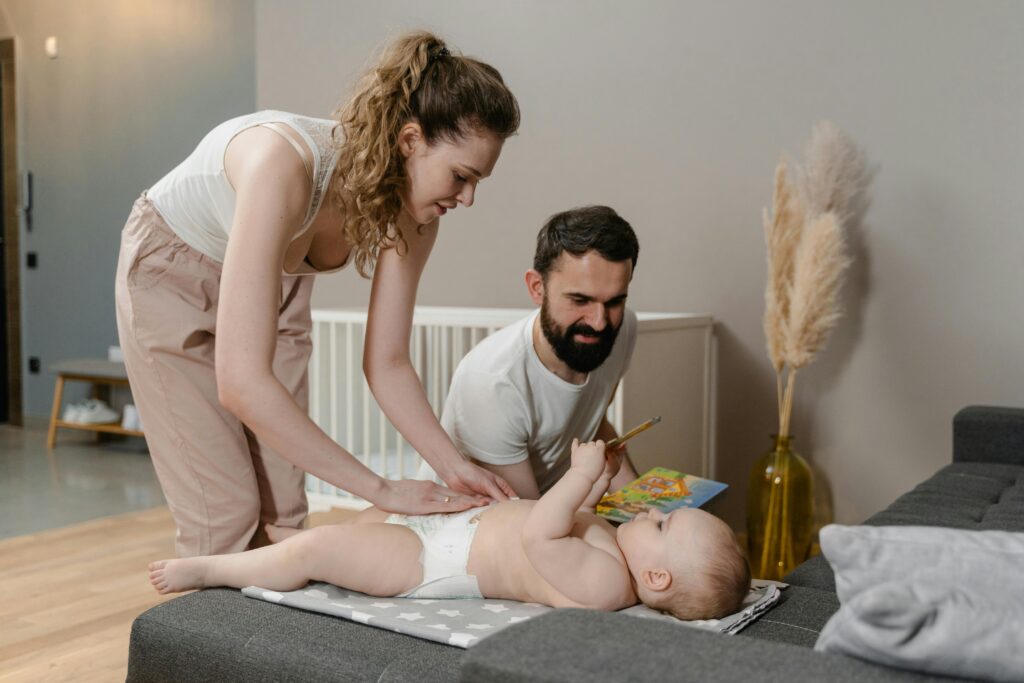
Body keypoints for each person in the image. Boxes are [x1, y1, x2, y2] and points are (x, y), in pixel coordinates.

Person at [115, 31, 520, 558]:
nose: (467, 198)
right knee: (226, 517)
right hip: (171, 274)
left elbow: (388, 364)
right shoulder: (281, 166)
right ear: (410, 141)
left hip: (278, 284)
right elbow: (242, 383)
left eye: (477, 182)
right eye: (461, 176)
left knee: (284, 514)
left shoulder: (417, 215)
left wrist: (454, 468)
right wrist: (382, 489)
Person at [149, 439, 751, 622]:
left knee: (327, 548)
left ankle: (214, 569)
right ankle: (286, 546)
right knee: (365, 522)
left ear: (656, 577)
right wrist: (601, 480)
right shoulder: (615, 550)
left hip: (435, 565)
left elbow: (543, 536)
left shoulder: (607, 586)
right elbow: (574, 518)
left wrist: (579, 474)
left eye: (662, 523)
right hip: (454, 528)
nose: (649, 513)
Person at [418, 206, 641, 498]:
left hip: (544, 507)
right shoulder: (492, 382)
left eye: (614, 302)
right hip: (475, 517)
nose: (599, 322)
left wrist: (643, 503)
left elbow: (594, 424)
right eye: (580, 300)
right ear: (537, 288)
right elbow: (526, 517)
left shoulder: (621, 330)